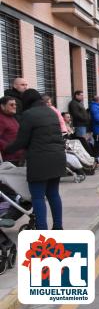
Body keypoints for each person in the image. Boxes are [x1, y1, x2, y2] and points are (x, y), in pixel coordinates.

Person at [4, 89, 66, 230]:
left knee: (38, 197)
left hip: (39, 160)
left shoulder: (28, 114)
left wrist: (6, 149)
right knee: (53, 194)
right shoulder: (51, 111)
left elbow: (22, 141)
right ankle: (58, 227)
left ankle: (42, 230)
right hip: (57, 158)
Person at [0, 96, 25, 165]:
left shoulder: (12, 117)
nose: (15, 106)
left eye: (15, 104)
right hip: (10, 160)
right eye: (11, 104)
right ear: (2, 106)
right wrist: (7, 147)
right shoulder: (1, 119)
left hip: (19, 157)